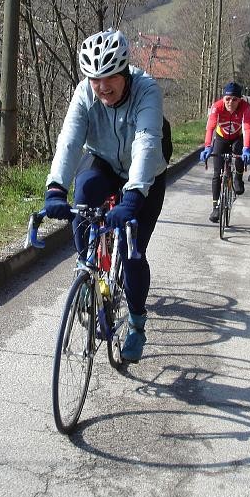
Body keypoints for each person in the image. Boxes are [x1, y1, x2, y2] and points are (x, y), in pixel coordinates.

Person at [43, 28, 168, 363]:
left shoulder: (147, 91)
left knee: (133, 252)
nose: (102, 87)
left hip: (145, 175)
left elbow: (145, 143)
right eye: (94, 78)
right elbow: (69, 141)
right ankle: (87, 271)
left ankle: (138, 325)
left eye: (109, 76)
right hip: (103, 162)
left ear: (124, 70)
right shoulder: (85, 93)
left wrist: (133, 198)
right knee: (83, 195)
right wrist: (55, 187)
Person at [200, 81, 250, 223]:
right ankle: (215, 207)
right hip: (221, 137)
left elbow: (247, 128)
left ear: (240, 99)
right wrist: (207, 146)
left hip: (237, 137)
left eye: (234, 99)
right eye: (227, 99)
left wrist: (247, 149)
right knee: (217, 173)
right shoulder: (217, 107)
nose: (230, 102)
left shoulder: (245, 107)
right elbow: (210, 127)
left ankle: (238, 178)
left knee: (239, 152)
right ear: (223, 98)